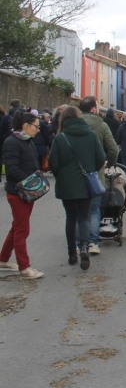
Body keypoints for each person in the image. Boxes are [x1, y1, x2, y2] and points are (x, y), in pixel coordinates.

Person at [49, 106, 106, 271]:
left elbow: (54, 162)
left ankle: (71, 252)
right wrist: (91, 169)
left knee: (70, 217)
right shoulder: (90, 135)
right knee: (84, 217)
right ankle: (84, 247)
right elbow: (101, 157)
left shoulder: (60, 137)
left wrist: (62, 174)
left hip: (67, 183)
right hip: (86, 182)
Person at [0, 111, 46, 278]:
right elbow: (11, 170)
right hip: (18, 192)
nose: (38, 130)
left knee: (16, 227)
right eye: (36, 126)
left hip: (26, 192)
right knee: (22, 230)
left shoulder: (27, 141)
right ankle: (24, 267)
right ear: (25, 125)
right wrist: (31, 181)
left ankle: (3, 259)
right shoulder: (12, 142)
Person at [78, 96, 119, 255]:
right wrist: (109, 164)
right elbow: (113, 149)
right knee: (95, 209)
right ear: (94, 109)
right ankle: (93, 242)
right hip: (96, 172)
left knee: (77, 210)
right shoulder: (102, 126)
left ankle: (78, 242)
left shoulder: (72, 124)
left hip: (75, 173)